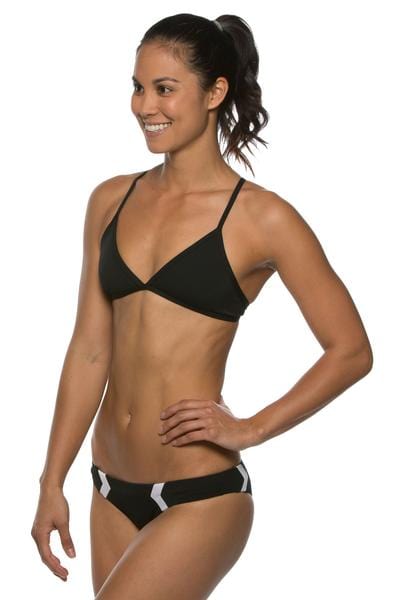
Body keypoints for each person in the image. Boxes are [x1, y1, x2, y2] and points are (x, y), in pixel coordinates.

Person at [31, 12, 373, 599]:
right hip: (108, 488)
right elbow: (89, 350)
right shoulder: (110, 199)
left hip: (201, 494)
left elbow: (351, 352)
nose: (145, 106)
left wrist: (252, 428)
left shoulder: (263, 217)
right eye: (138, 87)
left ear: (215, 93)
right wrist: (51, 480)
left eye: (164, 89)